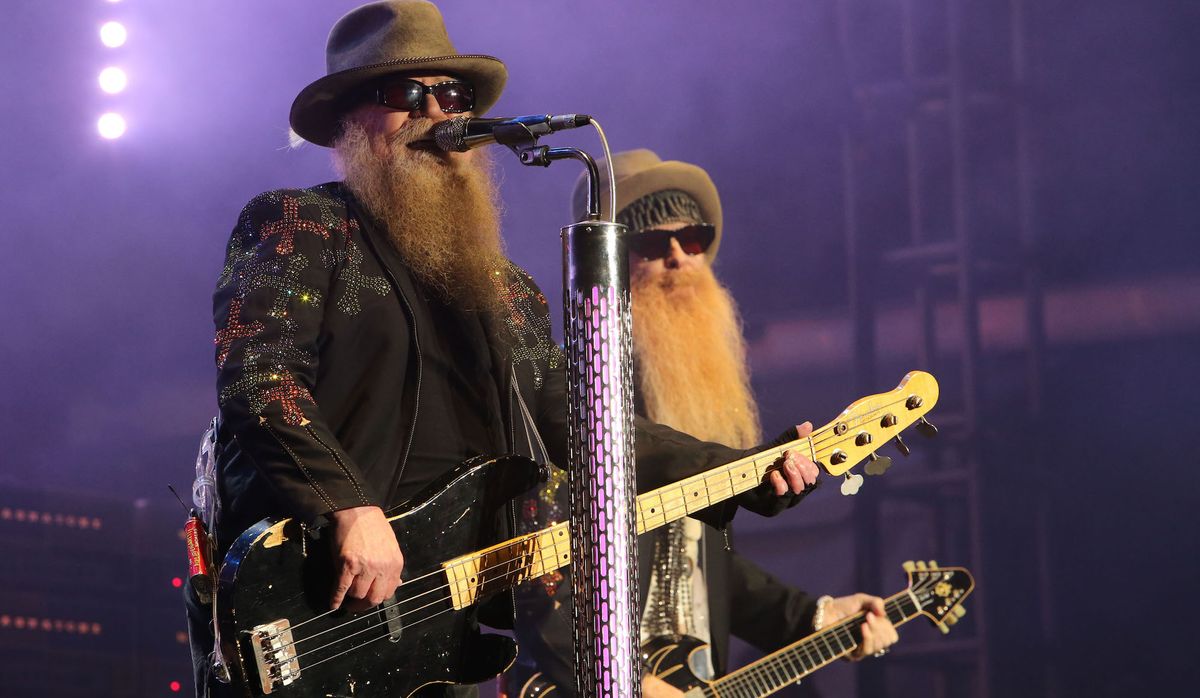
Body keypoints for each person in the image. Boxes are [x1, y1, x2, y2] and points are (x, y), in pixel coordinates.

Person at [186, 4, 820, 697]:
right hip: (316, 597)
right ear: (349, 120)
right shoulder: (304, 224)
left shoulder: (505, 289)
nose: (435, 112)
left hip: (441, 620)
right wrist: (349, 506)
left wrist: (744, 472)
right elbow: (260, 380)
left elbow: (580, 421)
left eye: (451, 95)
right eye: (406, 96)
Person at [506, 151, 899, 698]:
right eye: (650, 243)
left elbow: (705, 567)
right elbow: (539, 579)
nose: (678, 258)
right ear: (610, 263)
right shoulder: (577, 403)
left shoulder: (692, 405)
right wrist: (635, 687)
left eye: (692, 239)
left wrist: (816, 617)